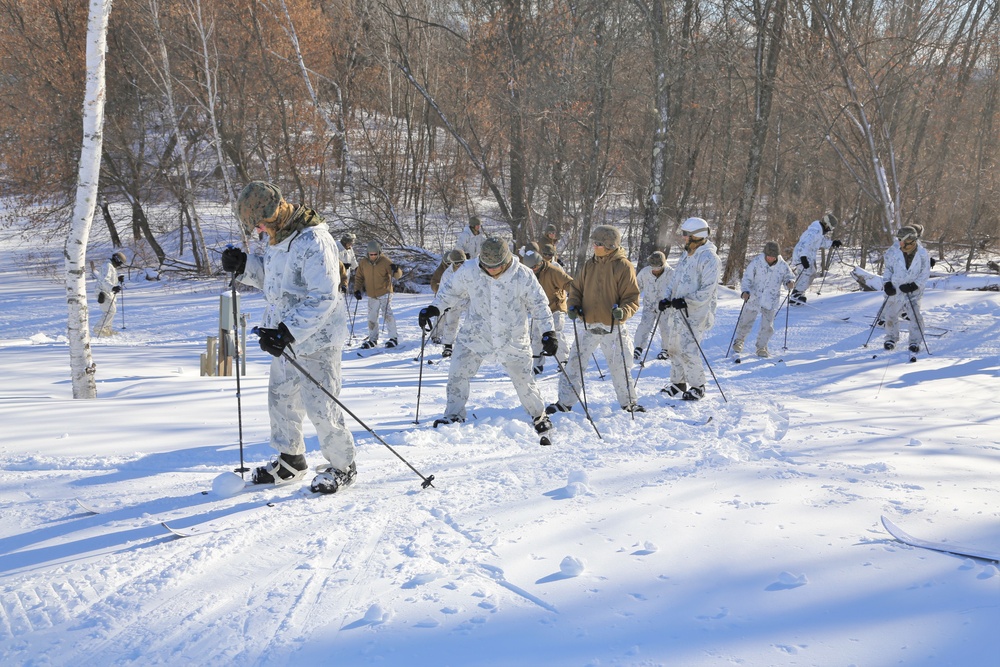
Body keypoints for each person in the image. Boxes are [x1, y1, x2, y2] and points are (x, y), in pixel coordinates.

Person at [221, 181, 356, 494]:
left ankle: (343, 466)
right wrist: (244, 267)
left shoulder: (314, 240)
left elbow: (323, 296)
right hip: (284, 340)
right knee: (281, 402)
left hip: (316, 340)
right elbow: (278, 283)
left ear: (277, 210)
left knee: (322, 409)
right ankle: (291, 461)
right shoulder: (279, 238)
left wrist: (288, 331)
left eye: (261, 223)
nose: (260, 229)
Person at [418, 236, 556, 434]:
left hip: (512, 338)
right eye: (487, 265)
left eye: (496, 266)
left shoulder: (522, 275)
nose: (491, 270)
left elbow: (539, 305)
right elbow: (450, 291)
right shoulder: (469, 270)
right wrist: (434, 308)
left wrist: (548, 332)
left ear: (507, 260)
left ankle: (539, 415)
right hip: (476, 335)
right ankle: (453, 415)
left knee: (524, 380)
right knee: (457, 373)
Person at [548, 224, 643, 414]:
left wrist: (623, 312)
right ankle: (564, 402)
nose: (594, 246)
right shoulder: (589, 265)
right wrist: (574, 305)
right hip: (588, 325)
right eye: (594, 242)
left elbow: (632, 298)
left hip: (613, 328)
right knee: (574, 364)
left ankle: (629, 403)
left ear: (610, 245)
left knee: (620, 367)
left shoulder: (623, 266)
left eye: (598, 243)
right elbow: (576, 290)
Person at [658, 217, 720, 400]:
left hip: (696, 313)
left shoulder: (710, 258)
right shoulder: (687, 254)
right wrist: (666, 298)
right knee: (674, 347)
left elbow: (708, 290)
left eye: (686, 235)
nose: (683, 238)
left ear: (697, 236)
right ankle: (678, 384)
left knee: (688, 349)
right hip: (677, 311)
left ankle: (698, 386)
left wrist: (687, 301)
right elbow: (675, 280)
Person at [733, 240, 795, 358]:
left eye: (773, 256)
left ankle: (762, 347)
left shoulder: (782, 265)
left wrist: (789, 282)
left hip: (771, 298)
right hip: (754, 297)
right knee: (746, 321)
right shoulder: (757, 262)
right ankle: (739, 341)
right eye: (768, 256)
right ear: (765, 254)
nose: (770, 258)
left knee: (767, 325)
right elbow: (747, 278)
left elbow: (789, 276)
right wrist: (745, 291)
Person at [522, 249, 573, 375]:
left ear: (540, 263)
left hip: (555, 307)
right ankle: (537, 364)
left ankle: (564, 360)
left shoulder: (553, 271)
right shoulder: (527, 273)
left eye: (534, 267)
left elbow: (570, 283)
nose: (532, 270)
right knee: (536, 336)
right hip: (539, 309)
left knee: (555, 333)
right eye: (530, 268)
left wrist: (577, 298)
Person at [881, 225, 931, 353]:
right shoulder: (895, 251)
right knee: (890, 315)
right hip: (896, 289)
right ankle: (891, 339)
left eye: (902, 240)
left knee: (915, 316)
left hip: (913, 291)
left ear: (912, 240)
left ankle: (915, 342)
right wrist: (887, 284)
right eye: (899, 240)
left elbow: (925, 273)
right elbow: (888, 269)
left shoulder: (922, 254)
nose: (900, 242)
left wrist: (913, 285)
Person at [354, 240, 403, 349]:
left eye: (375, 254)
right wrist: (357, 290)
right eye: (371, 254)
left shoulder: (385, 261)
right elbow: (359, 277)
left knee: (387, 315)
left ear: (379, 253)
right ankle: (373, 339)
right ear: (367, 254)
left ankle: (393, 338)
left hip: (385, 292)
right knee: (371, 317)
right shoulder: (363, 263)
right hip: (372, 294)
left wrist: (397, 270)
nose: (373, 256)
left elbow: (397, 275)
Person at [790, 213, 841, 305]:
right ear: (826, 224)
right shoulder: (814, 231)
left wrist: (832, 243)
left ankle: (799, 294)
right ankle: (796, 295)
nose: (829, 231)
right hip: (802, 256)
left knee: (809, 273)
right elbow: (805, 243)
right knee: (807, 273)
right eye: (829, 228)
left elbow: (820, 242)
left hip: (806, 256)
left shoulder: (818, 232)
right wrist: (803, 257)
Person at [632, 251, 673, 362]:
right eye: (652, 266)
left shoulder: (671, 274)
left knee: (666, 328)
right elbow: (636, 287)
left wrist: (669, 302)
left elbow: (676, 291)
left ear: (663, 264)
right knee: (644, 326)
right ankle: (638, 348)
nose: (655, 269)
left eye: (658, 266)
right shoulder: (645, 272)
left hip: (665, 308)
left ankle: (666, 349)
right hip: (649, 305)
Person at [431, 249, 467, 356]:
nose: (459, 265)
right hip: (454, 301)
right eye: (457, 263)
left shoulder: (471, 268)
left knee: (475, 320)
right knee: (451, 322)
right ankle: (448, 345)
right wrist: (442, 305)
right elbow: (442, 290)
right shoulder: (447, 274)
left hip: (469, 299)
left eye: (462, 262)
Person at [93, 251, 126, 336]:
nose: (120, 265)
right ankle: (99, 329)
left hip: (107, 291)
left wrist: (118, 279)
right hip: (103, 292)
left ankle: (107, 329)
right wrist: (113, 287)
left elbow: (108, 279)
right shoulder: (107, 266)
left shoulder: (111, 266)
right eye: (120, 263)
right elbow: (104, 280)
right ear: (117, 260)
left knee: (111, 310)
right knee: (110, 311)